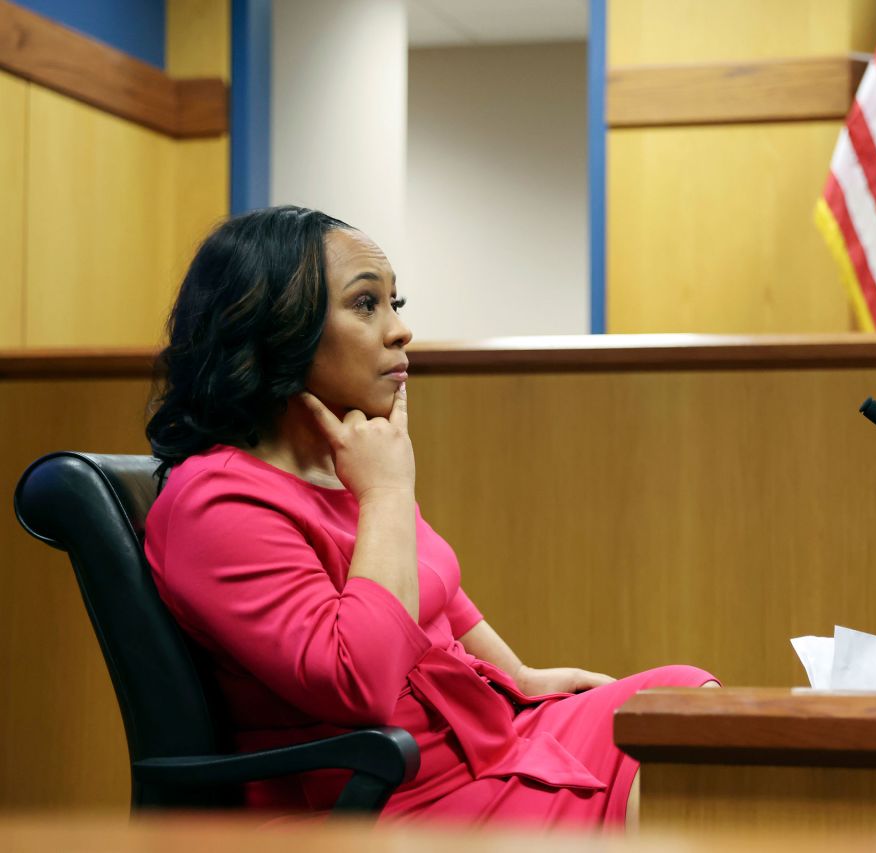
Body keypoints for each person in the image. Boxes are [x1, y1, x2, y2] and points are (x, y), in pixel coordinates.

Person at [144, 205, 717, 828]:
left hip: (478, 748)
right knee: (672, 777)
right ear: (275, 328)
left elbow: (440, 592)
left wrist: (520, 673)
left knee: (680, 703)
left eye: (396, 302)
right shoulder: (218, 503)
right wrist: (387, 495)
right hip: (392, 797)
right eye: (367, 305)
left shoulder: (345, 462)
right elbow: (357, 680)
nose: (400, 331)